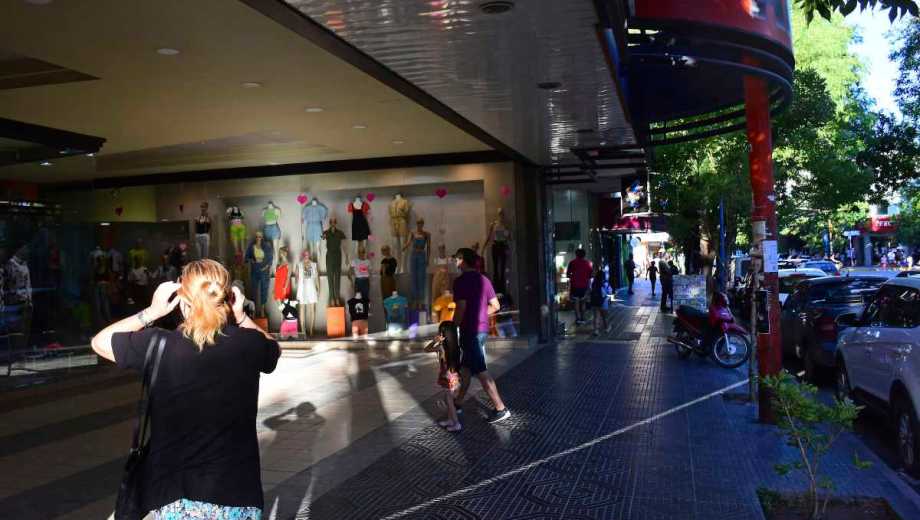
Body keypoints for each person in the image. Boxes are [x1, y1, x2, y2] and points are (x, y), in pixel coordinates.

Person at [90, 259, 280, 519]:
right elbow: (273, 349)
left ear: (183, 302)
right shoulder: (248, 344)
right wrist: (241, 316)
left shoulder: (159, 344)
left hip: (174, 497)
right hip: (238, 498)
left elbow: (99, 342)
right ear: (228, 298)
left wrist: (152, 312)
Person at [452, 248, 510, 423]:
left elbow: (461, 307)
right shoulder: (484, 279)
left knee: (481, 371)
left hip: (470, 331)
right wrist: (480, 315)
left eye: (456, 259)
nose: (455, 262)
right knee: (466, 369)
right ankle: (458, 402)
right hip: (482, 330)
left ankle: (500, 408)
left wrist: (452, 328)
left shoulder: (460, 281)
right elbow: (496, 306)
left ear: (462, 260)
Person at [424, 321, 463, 432]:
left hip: (447, 377)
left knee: (449, 401)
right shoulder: (456, 346)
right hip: (455, 376)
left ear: (443, 334)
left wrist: (434, 341)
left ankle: (456, 423)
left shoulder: (441, 347)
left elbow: (426, 349)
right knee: (449, 399)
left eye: (439, 332)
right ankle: (450, 420)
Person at [566, 249, 592, 325]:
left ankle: (578, 319)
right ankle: (583, 318)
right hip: (584, 286)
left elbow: (568, 274)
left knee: (576, 303)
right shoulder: (588, 263)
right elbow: (590, 276)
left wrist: (573, 276)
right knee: (583, 303)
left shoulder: (572, 263)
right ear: (584, 255)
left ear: (576, 254)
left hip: (575, 286)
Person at [589, 266, 611, 337]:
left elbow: (590, 290)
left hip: (595, 302)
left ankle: (596, 330)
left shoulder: (593, 283)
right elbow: (610, 292)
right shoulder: (605, 284)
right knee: (605, 317)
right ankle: (607, 328)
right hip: (603, 302)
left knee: (596, 316)